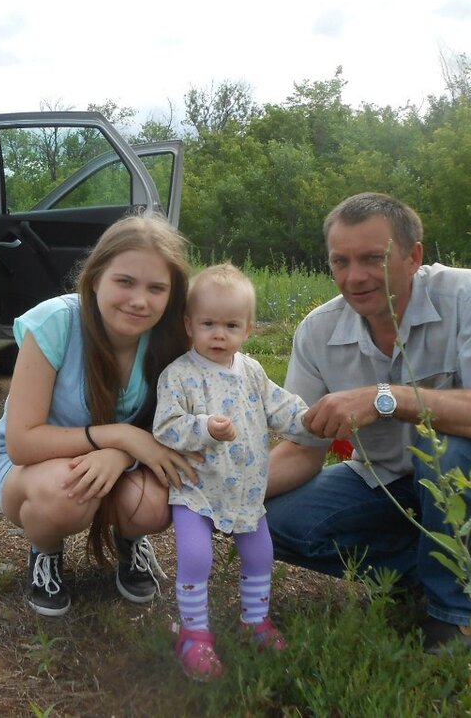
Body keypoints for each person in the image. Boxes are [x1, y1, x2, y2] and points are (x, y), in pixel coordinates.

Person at [264, 192, 471, 653]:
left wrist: (390, 399)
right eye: (340, 261)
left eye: (372, 258)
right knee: (271, 522)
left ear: (414, 256)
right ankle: (429, 570)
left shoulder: (469, 296)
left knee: (445, 447)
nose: (354, 277)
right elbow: (305, 448)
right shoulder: (318, 331)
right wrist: (229, 490)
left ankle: (454, 622)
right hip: (391, 486)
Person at [0, 212, 201, 617]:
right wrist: (119, 435)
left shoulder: (170, 339)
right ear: (96, 276)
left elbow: (171, 430)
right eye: (125, 281)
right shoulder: (55, 323)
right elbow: (22, 442)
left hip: (121, 463)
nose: (140, 300)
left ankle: (129, 540)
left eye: (157, 288)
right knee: (63, 495)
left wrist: (121, 452)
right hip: (33, 469)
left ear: (172, 295)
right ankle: (46, 552)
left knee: (153, 505)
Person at [154, 263, 324, 679]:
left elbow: (281, 408)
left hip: (246, 489)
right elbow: (166, 426)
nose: (218, 334)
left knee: (260, 554)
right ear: (189, 324)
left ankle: (256, 622)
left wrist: (314, 422)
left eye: (230, 325)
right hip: (197, 488)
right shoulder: (179, 375)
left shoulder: (252, 372)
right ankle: (194, 634)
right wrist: (203, 428)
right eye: (208, 323)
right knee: (196, 557)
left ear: (248, 329)